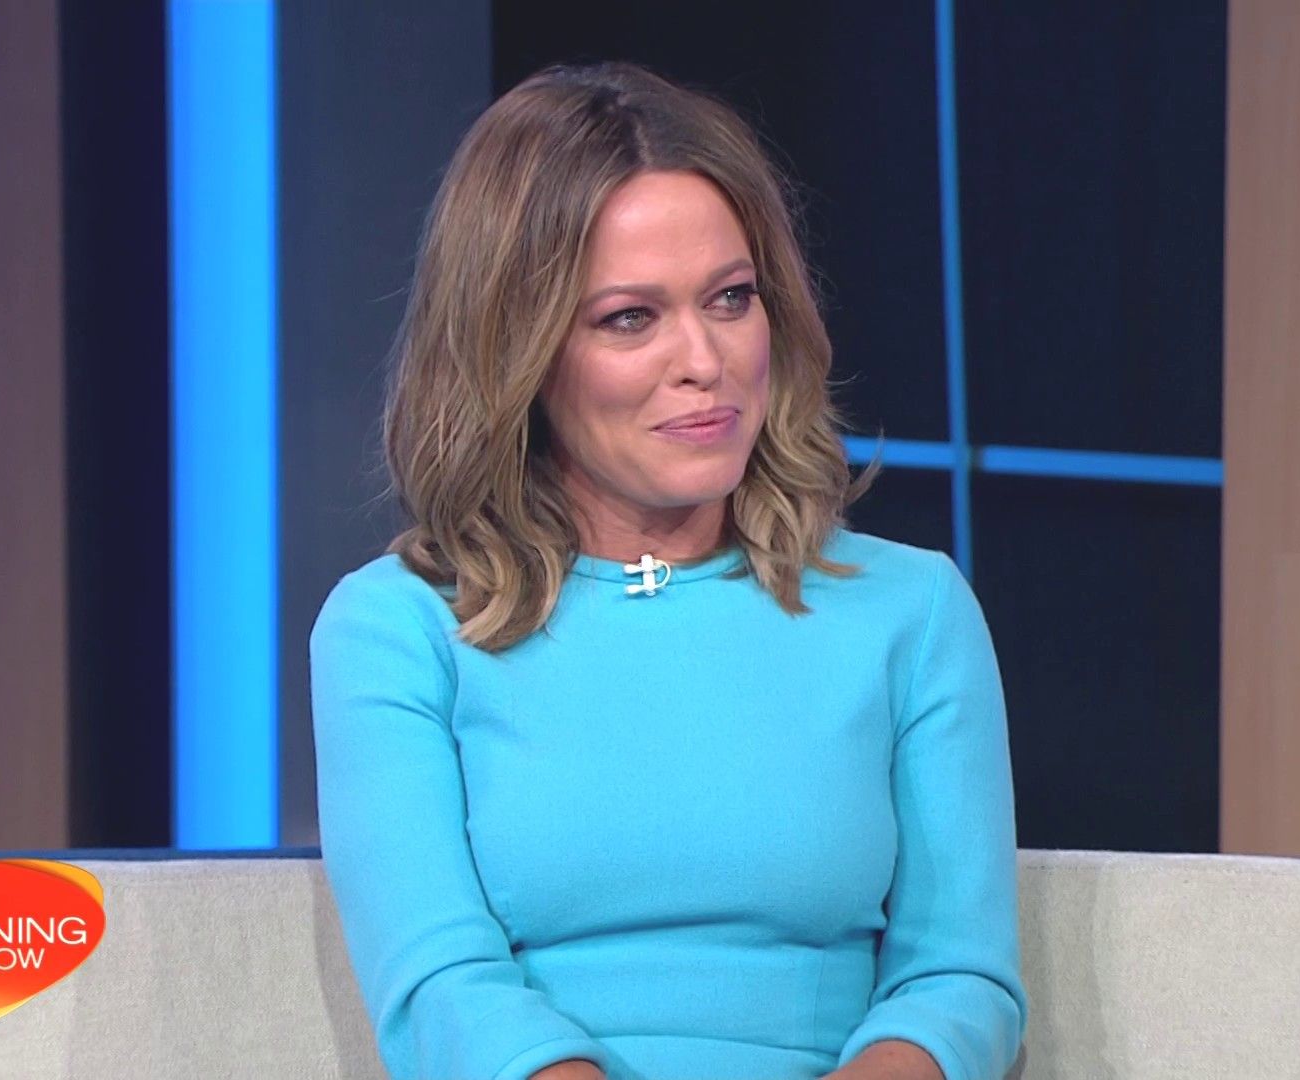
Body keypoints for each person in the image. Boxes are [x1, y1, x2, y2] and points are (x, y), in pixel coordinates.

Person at [309, 61, 1027, 1080]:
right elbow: (443, 992)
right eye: (630, 318)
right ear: (520, 351)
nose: (704, 359)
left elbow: (957, 981)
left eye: (731, 299)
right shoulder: (398, 631)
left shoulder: (910, 613)